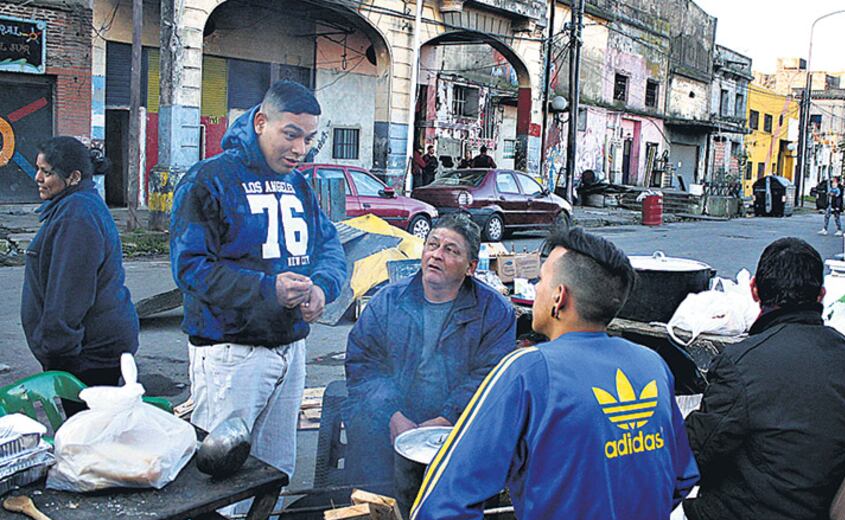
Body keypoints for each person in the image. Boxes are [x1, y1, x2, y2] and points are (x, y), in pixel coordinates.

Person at [410, 226, 699, 520]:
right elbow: (681, 476)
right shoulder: (652, 366)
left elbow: (440, 511)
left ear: (559, 297)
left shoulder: (527, 370)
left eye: (542, 279)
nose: (536, 289)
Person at [664, 238, 845, 520]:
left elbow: (690, 457)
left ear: (753, 290)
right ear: (821, 296)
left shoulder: (743, 363)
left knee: (626, 519)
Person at [170, 80, 346, 481]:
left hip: (291, 349)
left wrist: (322, 287)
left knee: (275, 470)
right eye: (291, 135)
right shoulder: (208, 179)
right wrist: (268, 289)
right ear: (261, 122)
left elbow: (330, 245)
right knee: (220, 475)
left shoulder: (298, 184)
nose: (300, 149)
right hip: (230, 353)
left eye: (309, 138)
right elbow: (190, 269)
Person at [344, 214, 516, 491]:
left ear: (471, 267)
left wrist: (446, 419)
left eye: (451, 250)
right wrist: (393, 414)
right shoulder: (388, 301)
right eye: (432, 244)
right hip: (395, 412)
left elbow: (489, 377)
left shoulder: (494, 312)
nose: (436, 254)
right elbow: (363, 364)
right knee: (367, 436)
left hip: (457, 419)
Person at [21, 137, 139, 417]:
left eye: (47, 172)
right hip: (87, 351)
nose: (37, 177)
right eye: (38, 169)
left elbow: (68, 294)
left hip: (88, 356)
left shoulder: (77, 215)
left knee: (88, 441)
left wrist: (56, 354)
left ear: (73, 177)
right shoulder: (71, 206)